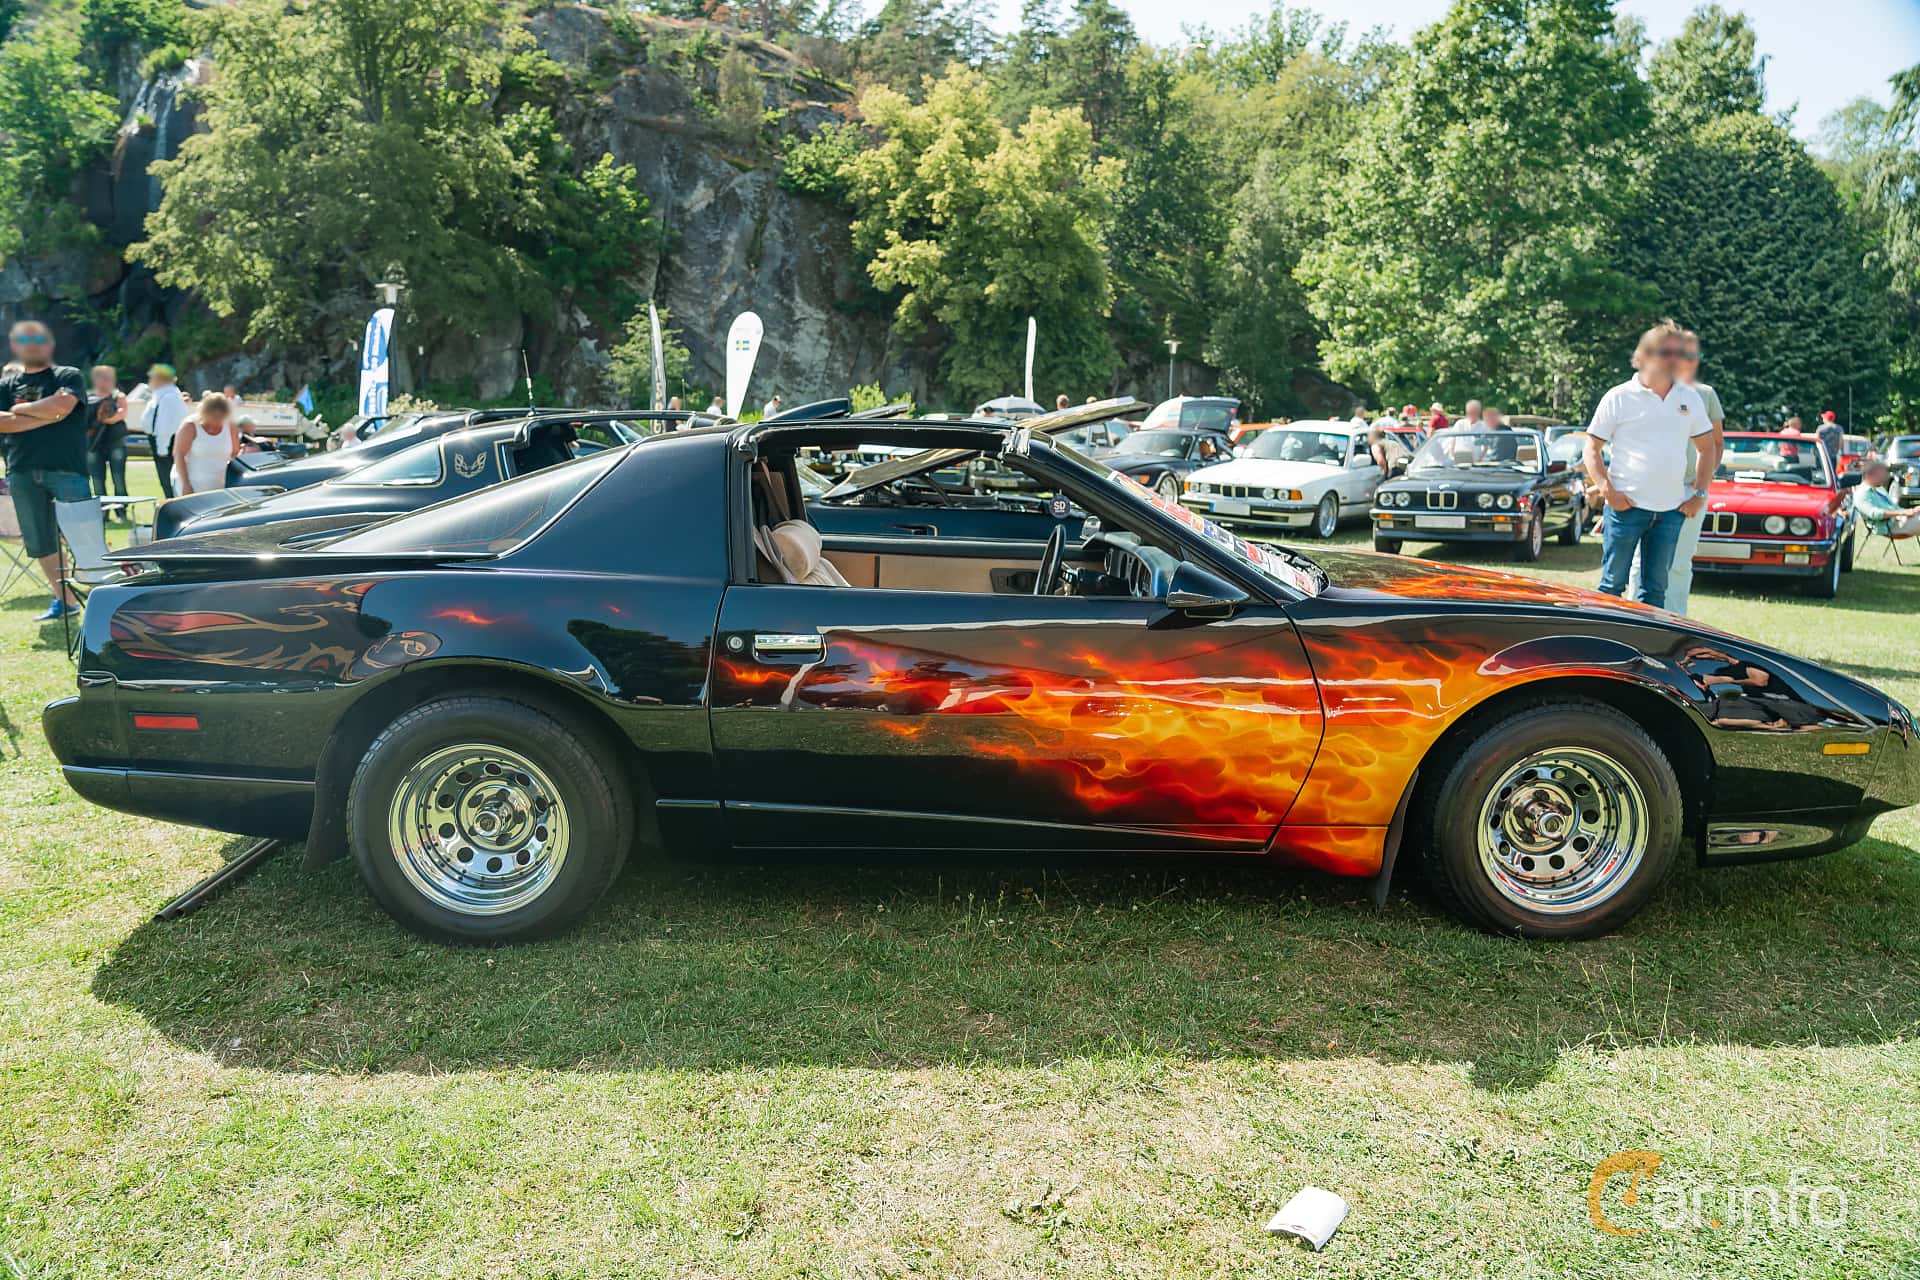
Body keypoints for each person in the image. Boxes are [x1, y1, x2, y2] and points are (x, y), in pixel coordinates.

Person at [1583, 320, 1715, 610]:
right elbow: (1591, 448)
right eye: (1665, 352)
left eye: (1677, 353)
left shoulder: (1688, 398)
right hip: (1625, 508)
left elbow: (1708, 448)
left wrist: (1699, 494)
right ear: (1643, 356)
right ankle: (1602, 646)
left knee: (1655, 591)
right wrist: (1608, 491)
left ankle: (1644, 649)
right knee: (1612, 586)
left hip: (1670, 512)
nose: (1673, 359)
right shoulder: (1619, 397)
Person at [1628, 329, 1724, 615]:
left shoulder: (1705, 395)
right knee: (1638, 562)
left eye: (1691, 355)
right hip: (1647, 490)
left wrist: (1700, 485)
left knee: (1680, 563)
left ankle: (1675, 621)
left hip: (1687, 490)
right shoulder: (1642, 392)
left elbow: (1716, 443)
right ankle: (1633, 617)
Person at [0, 321, 90, 620]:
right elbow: (2, 422)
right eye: (24, 338)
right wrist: (47, 415)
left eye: (38, 337)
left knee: (85, 536)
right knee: (40, 542)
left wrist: (21, 410)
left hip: (67, 469)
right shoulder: (6, 386)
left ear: (49, 344)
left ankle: (103, 600)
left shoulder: (68, 375)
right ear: (16, 345)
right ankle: (65, 602)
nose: (32, 343)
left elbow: (63, 406)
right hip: (23, 471)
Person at [172, 392, 241, 497]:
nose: (217, 420)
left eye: (221, 417)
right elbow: (179, 455)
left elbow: (235, 453)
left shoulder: (231, 426)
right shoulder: (190, 425)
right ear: (205, 412)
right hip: (192, 485)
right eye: (214, 416)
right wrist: (186, 485)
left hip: (222, 487)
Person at [142, 364, 188, 498]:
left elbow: (165, 425)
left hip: (166, 442)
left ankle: (172, 502)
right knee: (165, 478)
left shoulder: (169, 397)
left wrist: (162, 447)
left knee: (168, 477)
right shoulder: (162, 394)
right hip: (161, 441)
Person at [85, 364, 129, 500]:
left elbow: (120, 415)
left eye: (108, 377)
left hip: (115, 442)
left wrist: (105, 417)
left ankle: (121, 511)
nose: (105, 381)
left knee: (119, 479)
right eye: (101, 377)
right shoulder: (87, 398)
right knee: (97, 481)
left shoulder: (118, 396)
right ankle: (102, 513)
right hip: (93, 444)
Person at [1858, 460, 1920, 535]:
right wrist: (1903, 512)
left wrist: (1912, 511)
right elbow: (1875, 514)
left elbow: (1895, 508)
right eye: (1879, 475)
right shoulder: (1861, 494)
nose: (1883, 477)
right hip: (1888, 526)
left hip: (1899, 519)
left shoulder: (1879, 489)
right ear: (1869, 476)